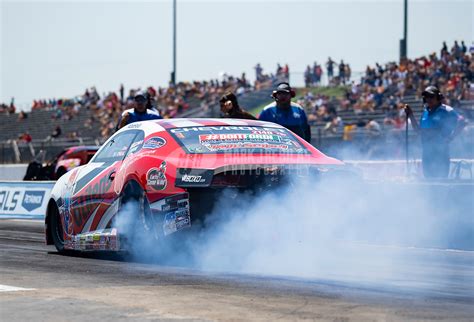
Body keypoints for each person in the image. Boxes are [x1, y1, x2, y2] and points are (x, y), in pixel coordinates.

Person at [404, 86, 466, 179]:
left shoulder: (446, 110)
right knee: (429, 182)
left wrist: (451, 137)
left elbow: (462, 121)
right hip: (427, 155)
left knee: (440, 182)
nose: (429, 99)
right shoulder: (425, 113)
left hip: (440, 154)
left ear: (438, 97)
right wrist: (411, 115)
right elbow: (418, 131)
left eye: (431, 97)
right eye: (426, 97)